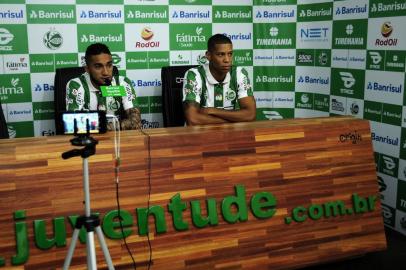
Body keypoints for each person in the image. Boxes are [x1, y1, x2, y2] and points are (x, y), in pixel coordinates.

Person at [182, 34, 256, 126]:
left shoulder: (239, 73)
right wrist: (233, 120)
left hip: (229, 135)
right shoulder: (194, 75)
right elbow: (193, 120)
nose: (227, 60)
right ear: (208, 56)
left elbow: (250, 115)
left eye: (230, 54)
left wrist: (212, 111)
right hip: (199, 136)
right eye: (221, 54)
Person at [66, 43, 140, 130]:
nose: (106, 72)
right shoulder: (77, 85)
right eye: (98, 66)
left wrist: (100, 127)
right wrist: (115, 126)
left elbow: (135, 122)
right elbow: (74, 124)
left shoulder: (122, 83)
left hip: (118, 140)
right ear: (87, 69)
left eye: (109, 65)